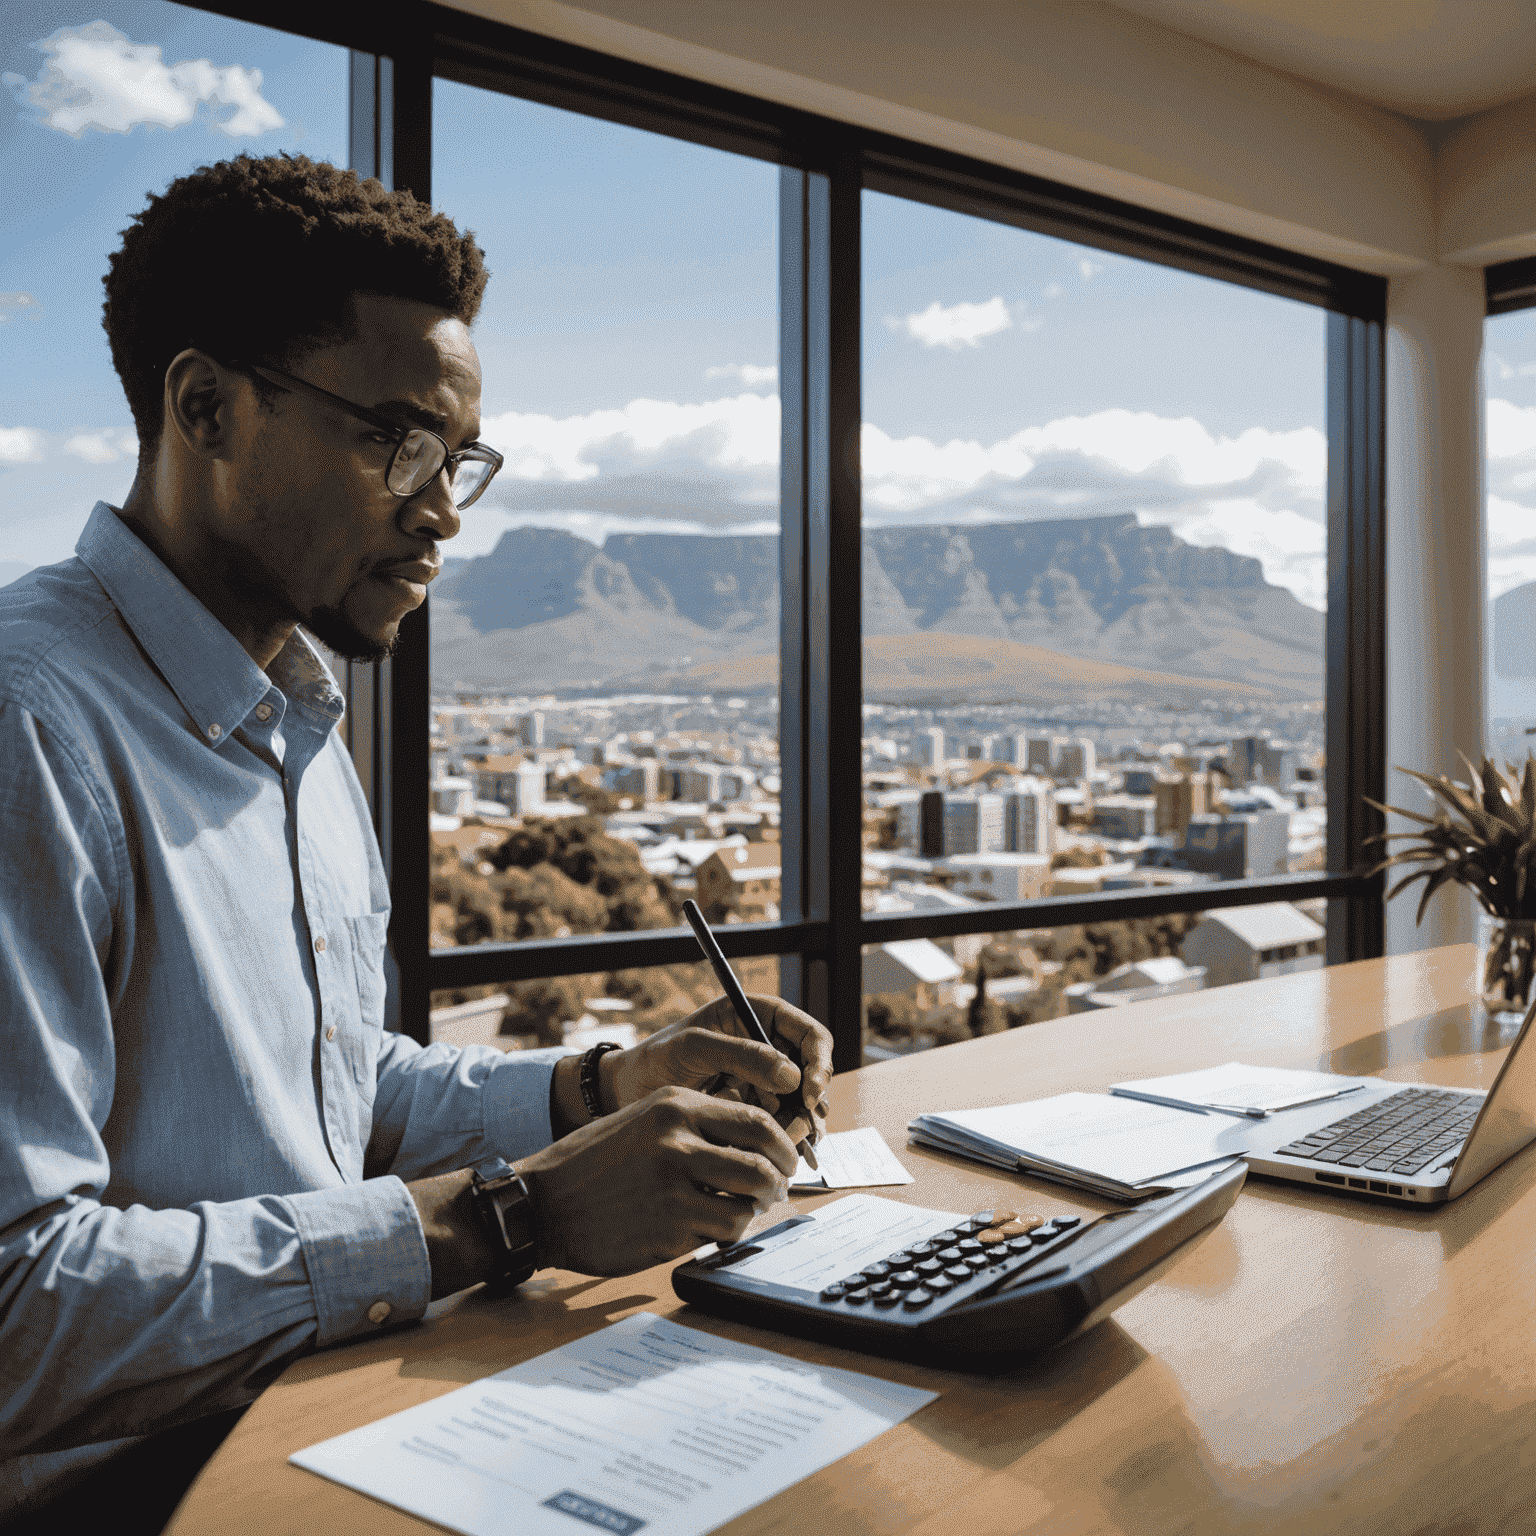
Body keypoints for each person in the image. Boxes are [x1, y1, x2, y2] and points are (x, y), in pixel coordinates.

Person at [0, 154, 832, 1528]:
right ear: (204, 406)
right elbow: (22, 1309)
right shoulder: (34, 726)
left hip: (338, 1415)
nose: (442, 510)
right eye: (396, 442)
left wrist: (599, 1087)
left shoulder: (301, 723)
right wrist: (511, 1217)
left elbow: (329, 1096)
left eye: (459, 461)